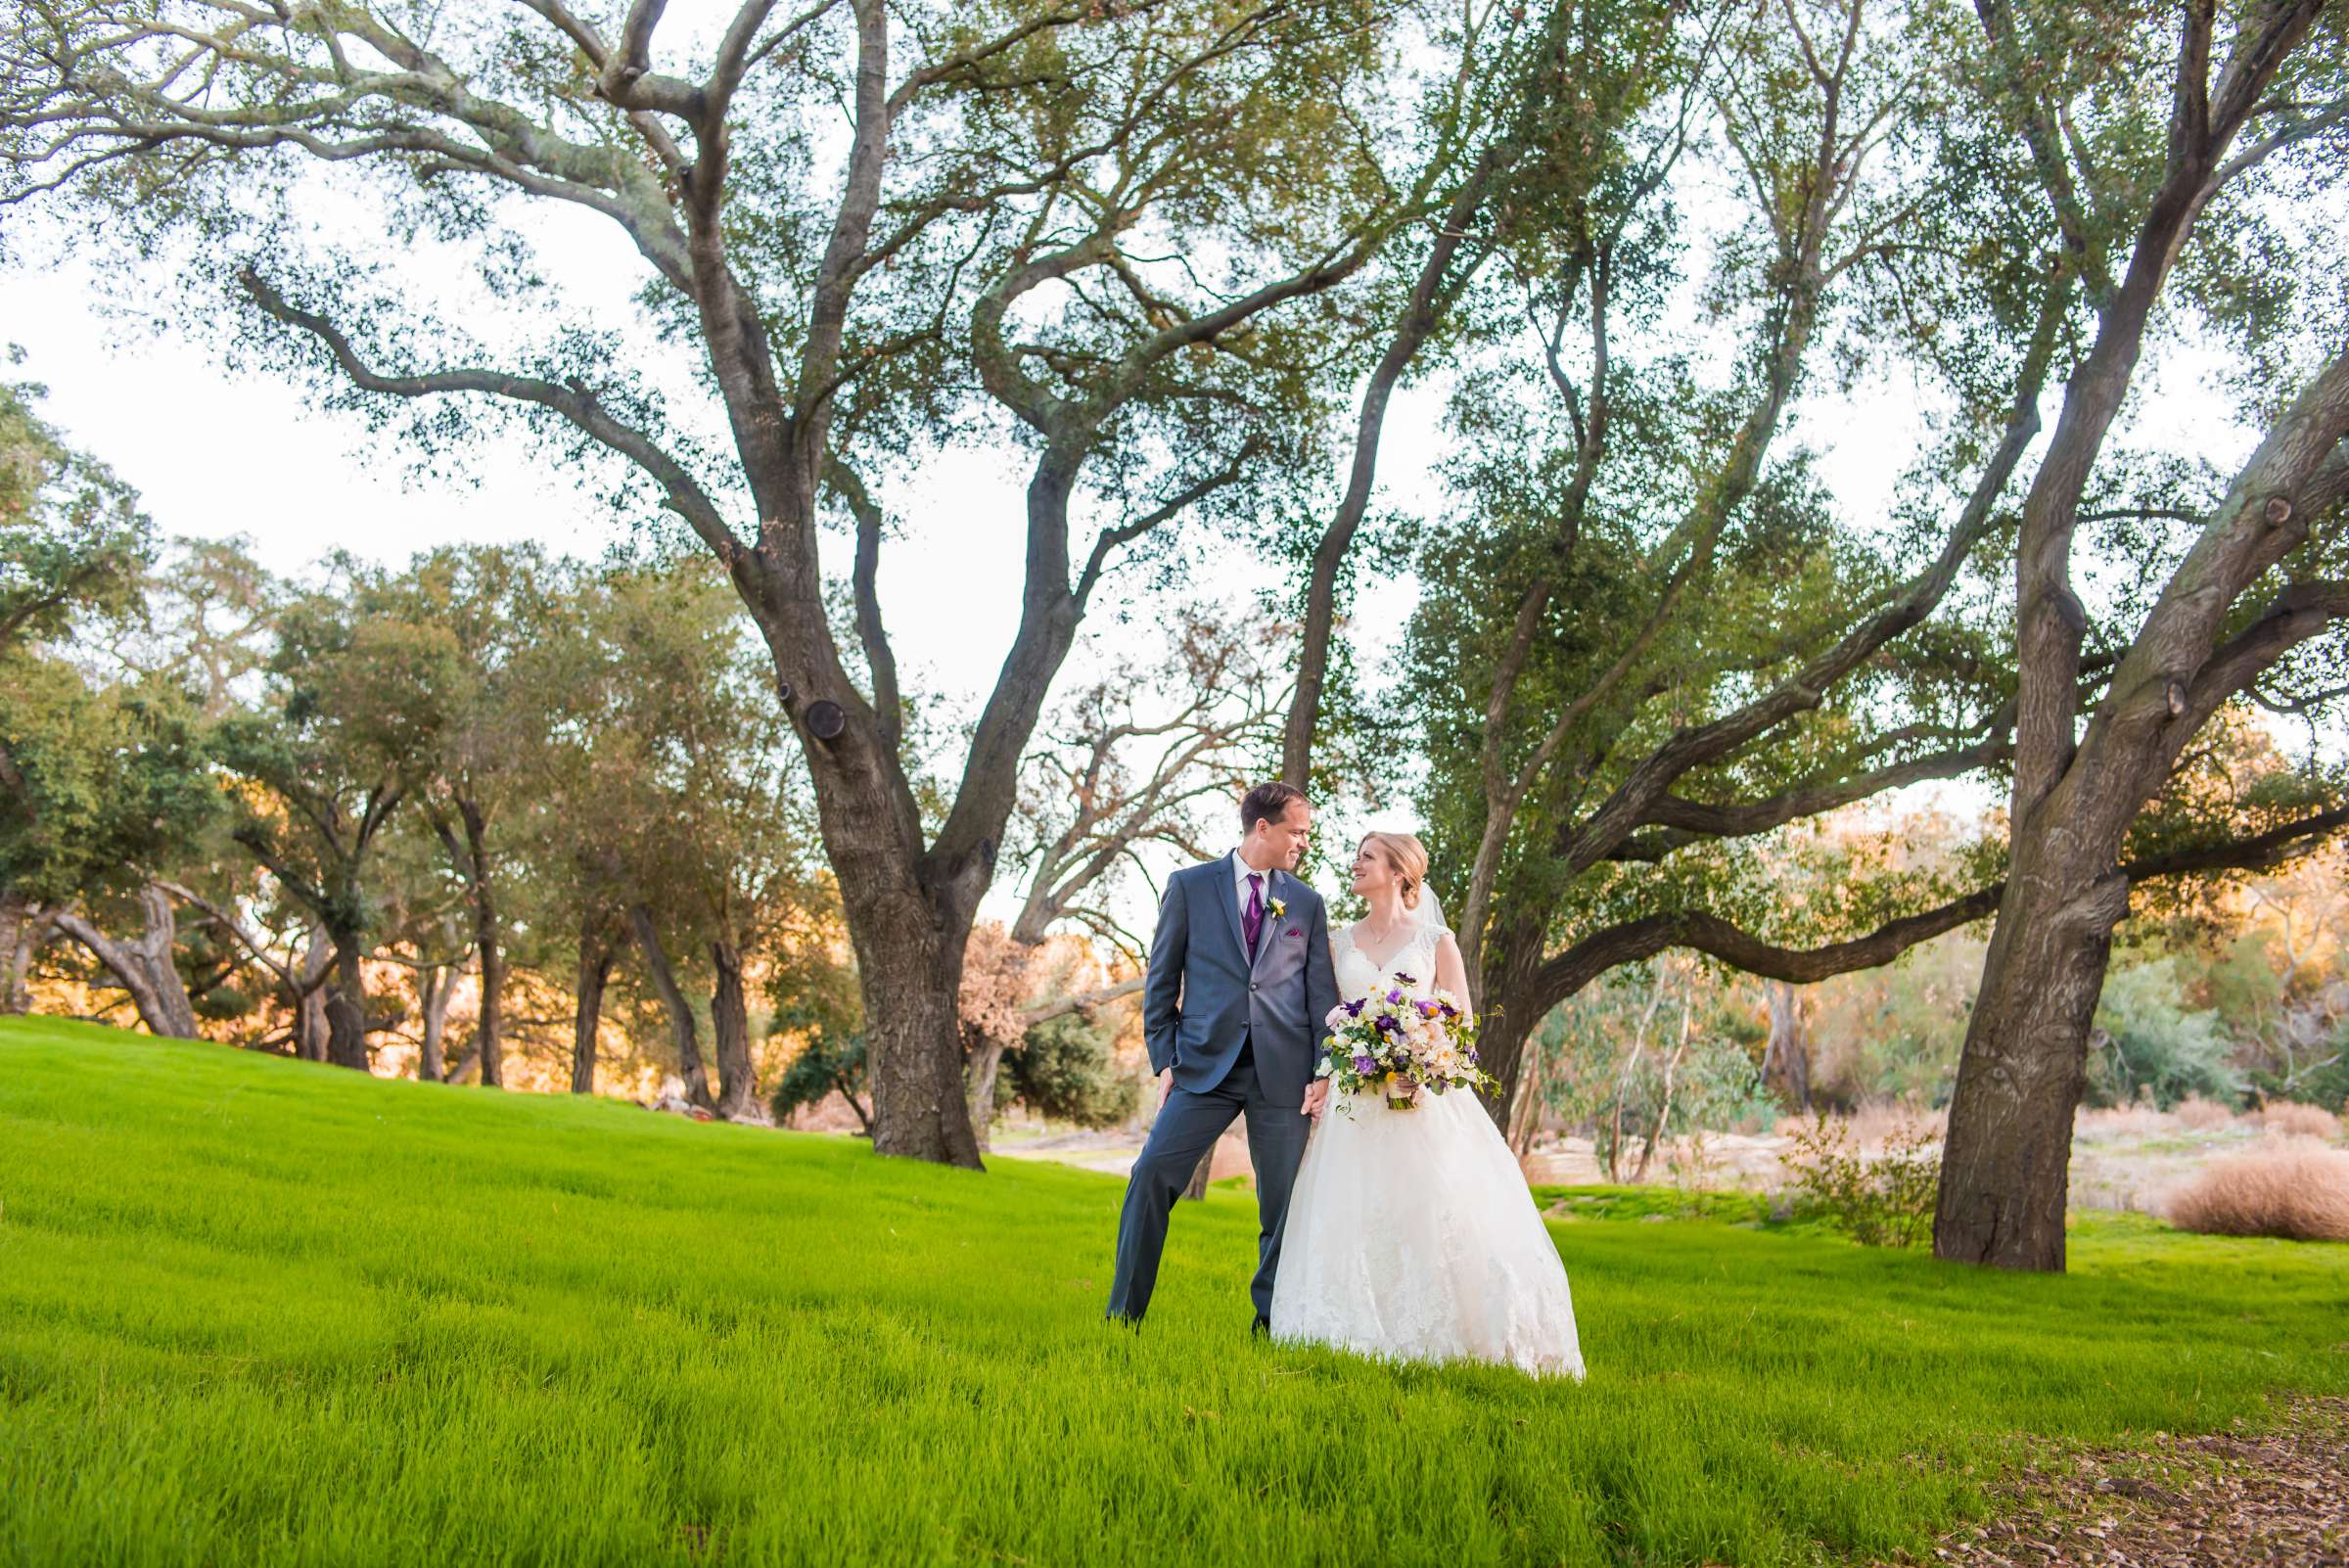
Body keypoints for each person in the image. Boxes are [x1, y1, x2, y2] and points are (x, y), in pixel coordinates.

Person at [1269, 831, 1585, 1379]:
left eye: (1367, 857)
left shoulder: (1435, 940)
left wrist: (1422, 1061)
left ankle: (1456, 1331)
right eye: (1357, 856)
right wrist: (1327, 1073)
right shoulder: (1338, 942)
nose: (1355, 863)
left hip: (1421, 1103)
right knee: (1353, 1211)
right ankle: (1350, 1327)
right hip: (1355, 1103)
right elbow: (1322, 1015)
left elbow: (1461, 1023)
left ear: (1398, 871)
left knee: (1435, 1209)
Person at [1105, 781, 1339, 1333]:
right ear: (1263, 828)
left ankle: (1271, 1323)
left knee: (1281, 1206)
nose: (1303, 843)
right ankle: (1123, 1316)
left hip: (1282, 1075)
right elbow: (1161, 981)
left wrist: (1324, 1070)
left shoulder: (1306, 901)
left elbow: (1321, 995)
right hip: (1203, 1068)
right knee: (1151, 1176)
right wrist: (1165, 1059)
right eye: (1297, 832)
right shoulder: (1189, 887)